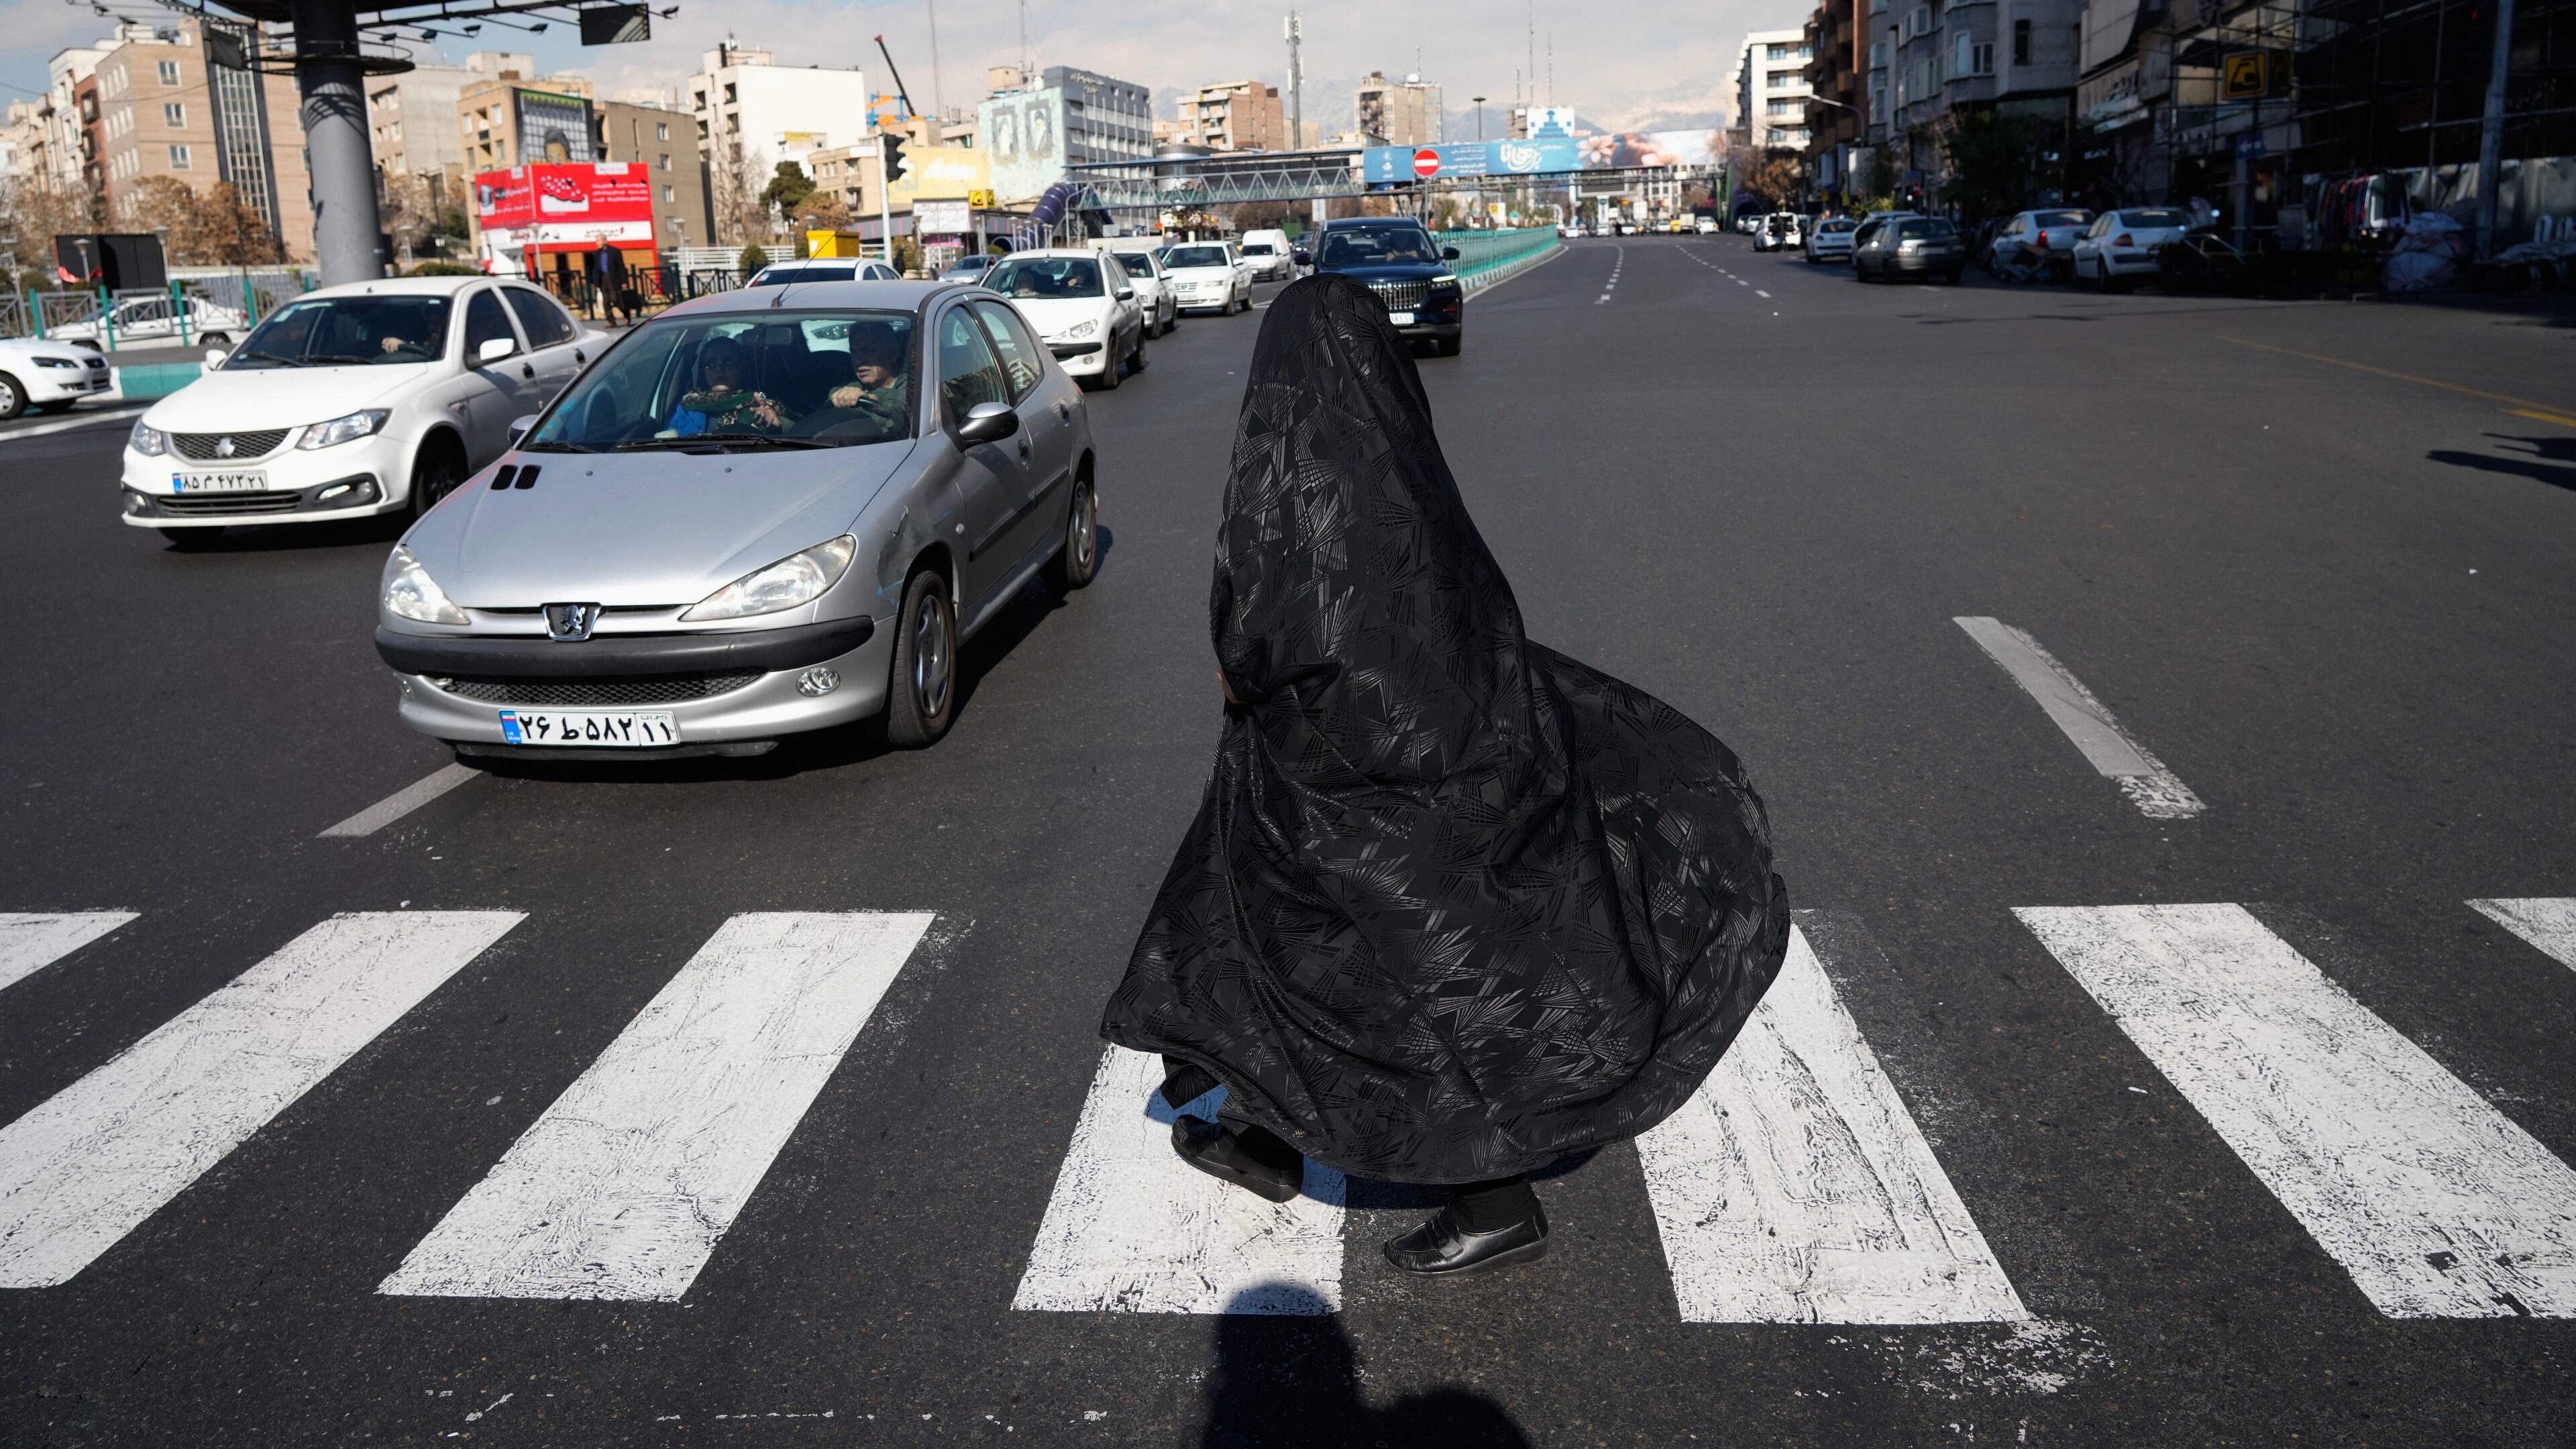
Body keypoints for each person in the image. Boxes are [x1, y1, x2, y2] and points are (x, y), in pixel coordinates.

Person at [1102, 274, 1790, 1279]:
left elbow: (1294, 618)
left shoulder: (1299, 468)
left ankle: (1492, 1198)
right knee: (1285, 946)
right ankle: (1261, 1134)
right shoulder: (1399, 454)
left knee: (1396, 976)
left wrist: (1248, 675)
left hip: (1342, 767)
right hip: (1436, 740)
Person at [664, 337, 790, 436]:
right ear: (702, 372)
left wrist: (777, 426)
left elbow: (800, 431)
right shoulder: (687, 406)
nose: (719, 369)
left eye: (728, 362)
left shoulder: (761, 406)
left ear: (742, 368)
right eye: (711, 364)